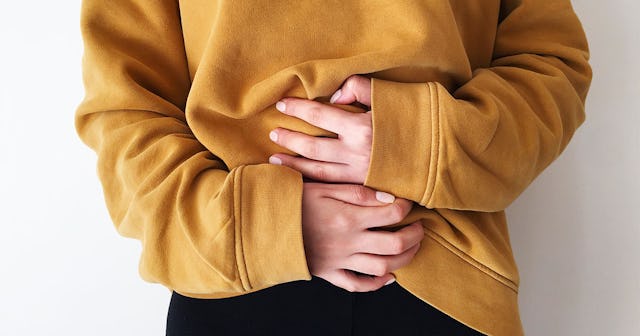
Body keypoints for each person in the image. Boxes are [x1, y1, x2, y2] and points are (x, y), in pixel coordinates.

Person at [75, 0, 591, 335]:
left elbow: (551, 68)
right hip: (232, 281)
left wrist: (419, 142)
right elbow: (126, 110)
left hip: (444, 273)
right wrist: (268, 228)